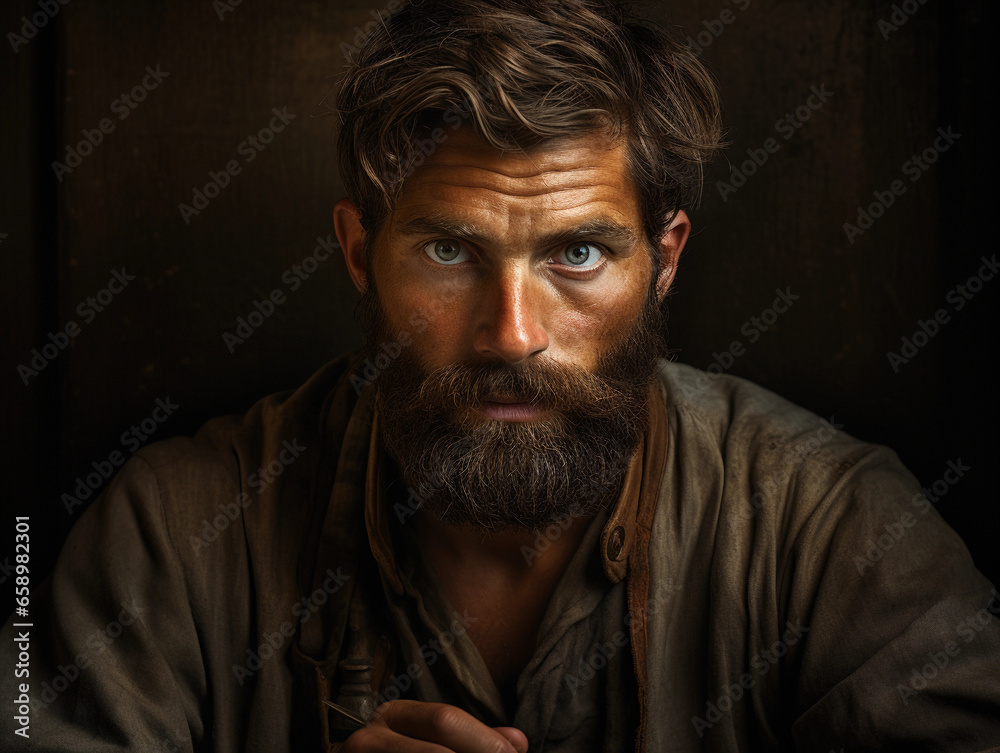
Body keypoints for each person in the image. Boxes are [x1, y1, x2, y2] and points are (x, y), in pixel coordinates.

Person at [3, 0, 999, 750]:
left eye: (577, 255)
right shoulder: (168, 538)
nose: (512, 335)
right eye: (449, 252)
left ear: (665, 261)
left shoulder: (834, 530)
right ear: (358, 253)